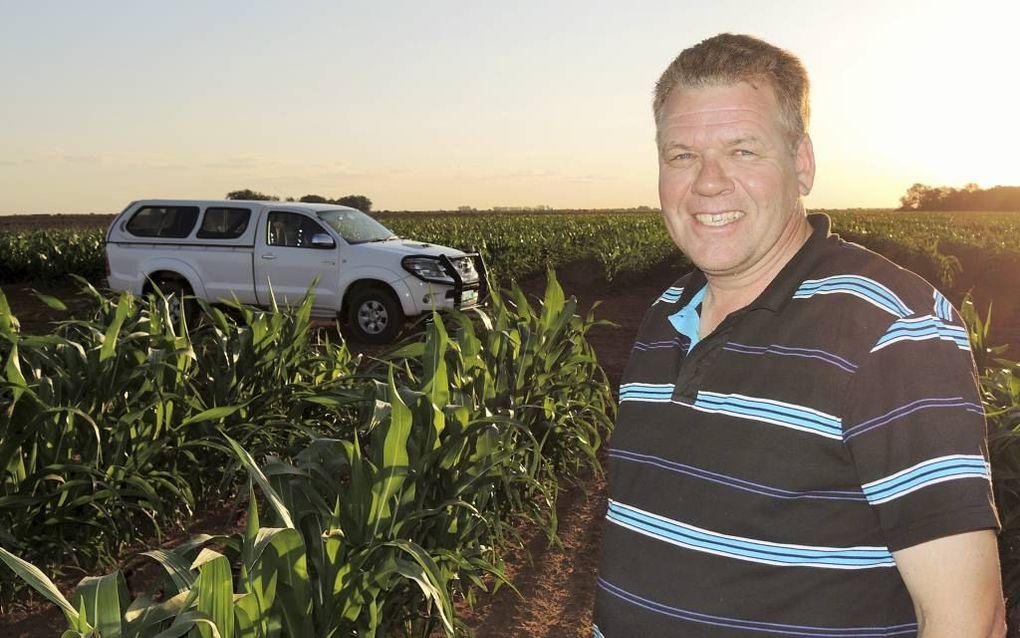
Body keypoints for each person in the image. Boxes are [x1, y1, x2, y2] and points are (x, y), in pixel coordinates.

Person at [592, 33, 1004, 637]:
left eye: (742, 151)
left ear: (802, 163)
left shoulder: (887, 327)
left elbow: (968, 619)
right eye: (681, 155)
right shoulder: (666, 313)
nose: (707, 183)